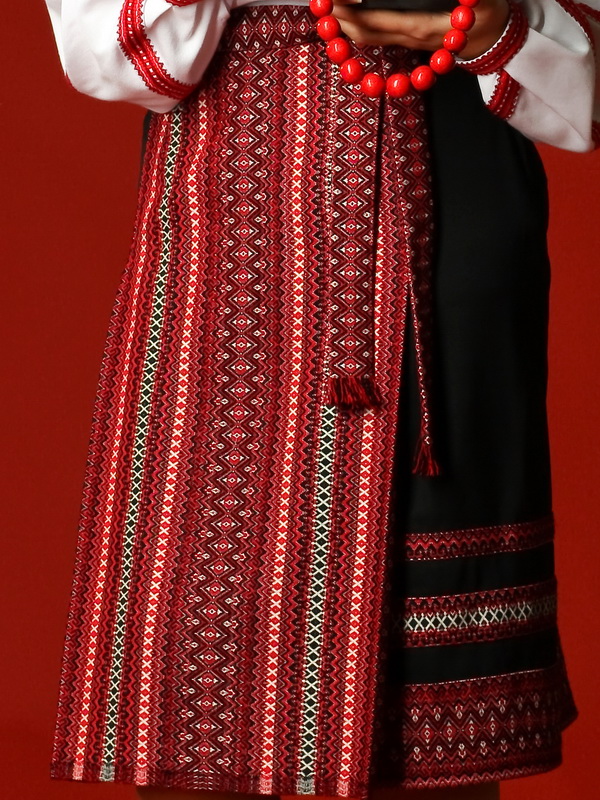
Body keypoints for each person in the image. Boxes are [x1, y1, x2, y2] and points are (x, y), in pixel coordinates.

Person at [43, 1, 599, 799]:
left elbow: (587, 79)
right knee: (203, 704)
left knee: (430, 741)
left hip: (448, 235)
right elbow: (112, 52)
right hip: (239, 233)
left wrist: (485, 22)